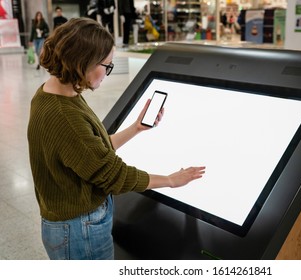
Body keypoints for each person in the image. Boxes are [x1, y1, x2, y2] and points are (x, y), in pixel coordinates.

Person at [27, 17, 205, 260]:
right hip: (80, 231)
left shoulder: (53, 92)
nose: (108, 73)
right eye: (106, 66)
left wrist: (136, 128)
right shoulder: (65, 116)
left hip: (71, 226)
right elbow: (114, 175)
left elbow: (88, 153)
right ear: (83, 61)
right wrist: (171, 180)